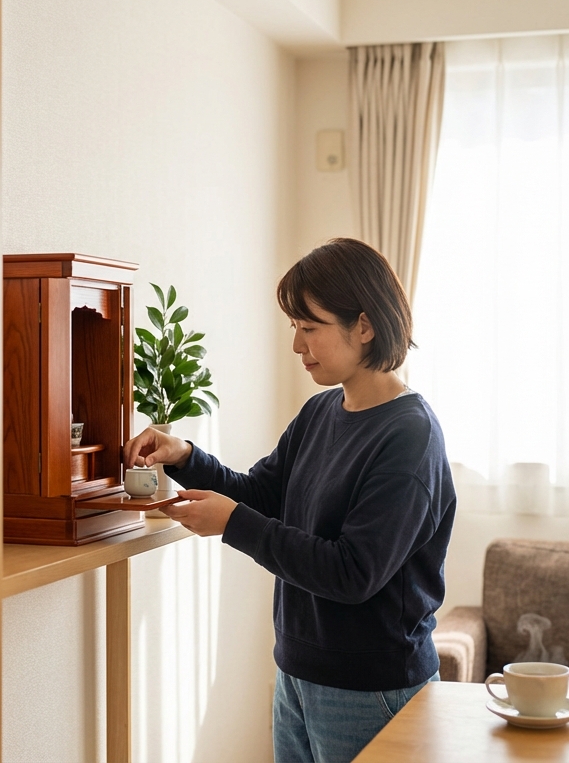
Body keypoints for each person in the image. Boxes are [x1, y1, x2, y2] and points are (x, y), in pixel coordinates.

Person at [125, 238, 456, 763]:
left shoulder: (410, 437)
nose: (298, 347)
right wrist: (184, 454)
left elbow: (353, 573)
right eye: (294, 329)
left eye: (310, 328)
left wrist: (235, 525)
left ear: (364, 327)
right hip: (297, 676)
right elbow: (262, 494)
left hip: (374, 692)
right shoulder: (321, 412)